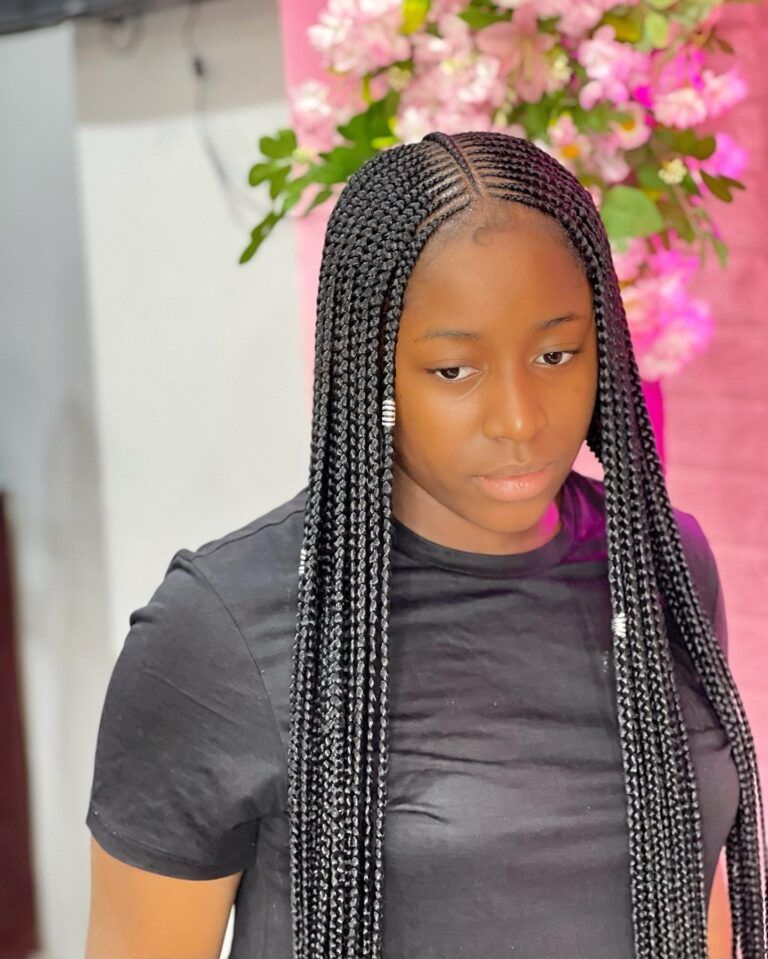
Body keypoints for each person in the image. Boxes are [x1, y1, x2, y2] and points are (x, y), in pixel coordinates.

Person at [85, 130, 766, 959]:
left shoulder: (663, 565)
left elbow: (692, 892)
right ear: (370, 369)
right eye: (454, 370)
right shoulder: (218, 631)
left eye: (557, 354)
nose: (519, 419)